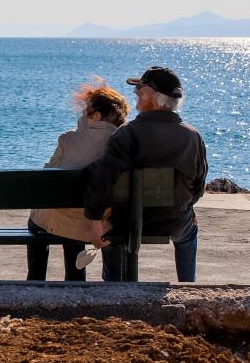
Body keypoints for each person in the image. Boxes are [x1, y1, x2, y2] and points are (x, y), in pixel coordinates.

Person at [81, 67, 208, 282]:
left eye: (140, 89)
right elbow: (198, 185)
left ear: (153, 97)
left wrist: (95, 220)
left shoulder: (127, 134)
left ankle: (115, 285)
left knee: (111, 230)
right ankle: (187, 284)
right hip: (174, 220)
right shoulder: (193, 137)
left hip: (131, 221)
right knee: (189, 231)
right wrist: (187, 207)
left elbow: (102, 177)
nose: (136, 93)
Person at [26, 79, 130, 281]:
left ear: (97, 115)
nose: (81, 115)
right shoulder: (124, 143)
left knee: (39, 220)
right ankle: (75, 280)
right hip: (100, 219)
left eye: (85, 111)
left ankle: (35, 279)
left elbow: (48, 176)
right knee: (74, 221)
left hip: (63, 216)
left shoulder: (68, 139)